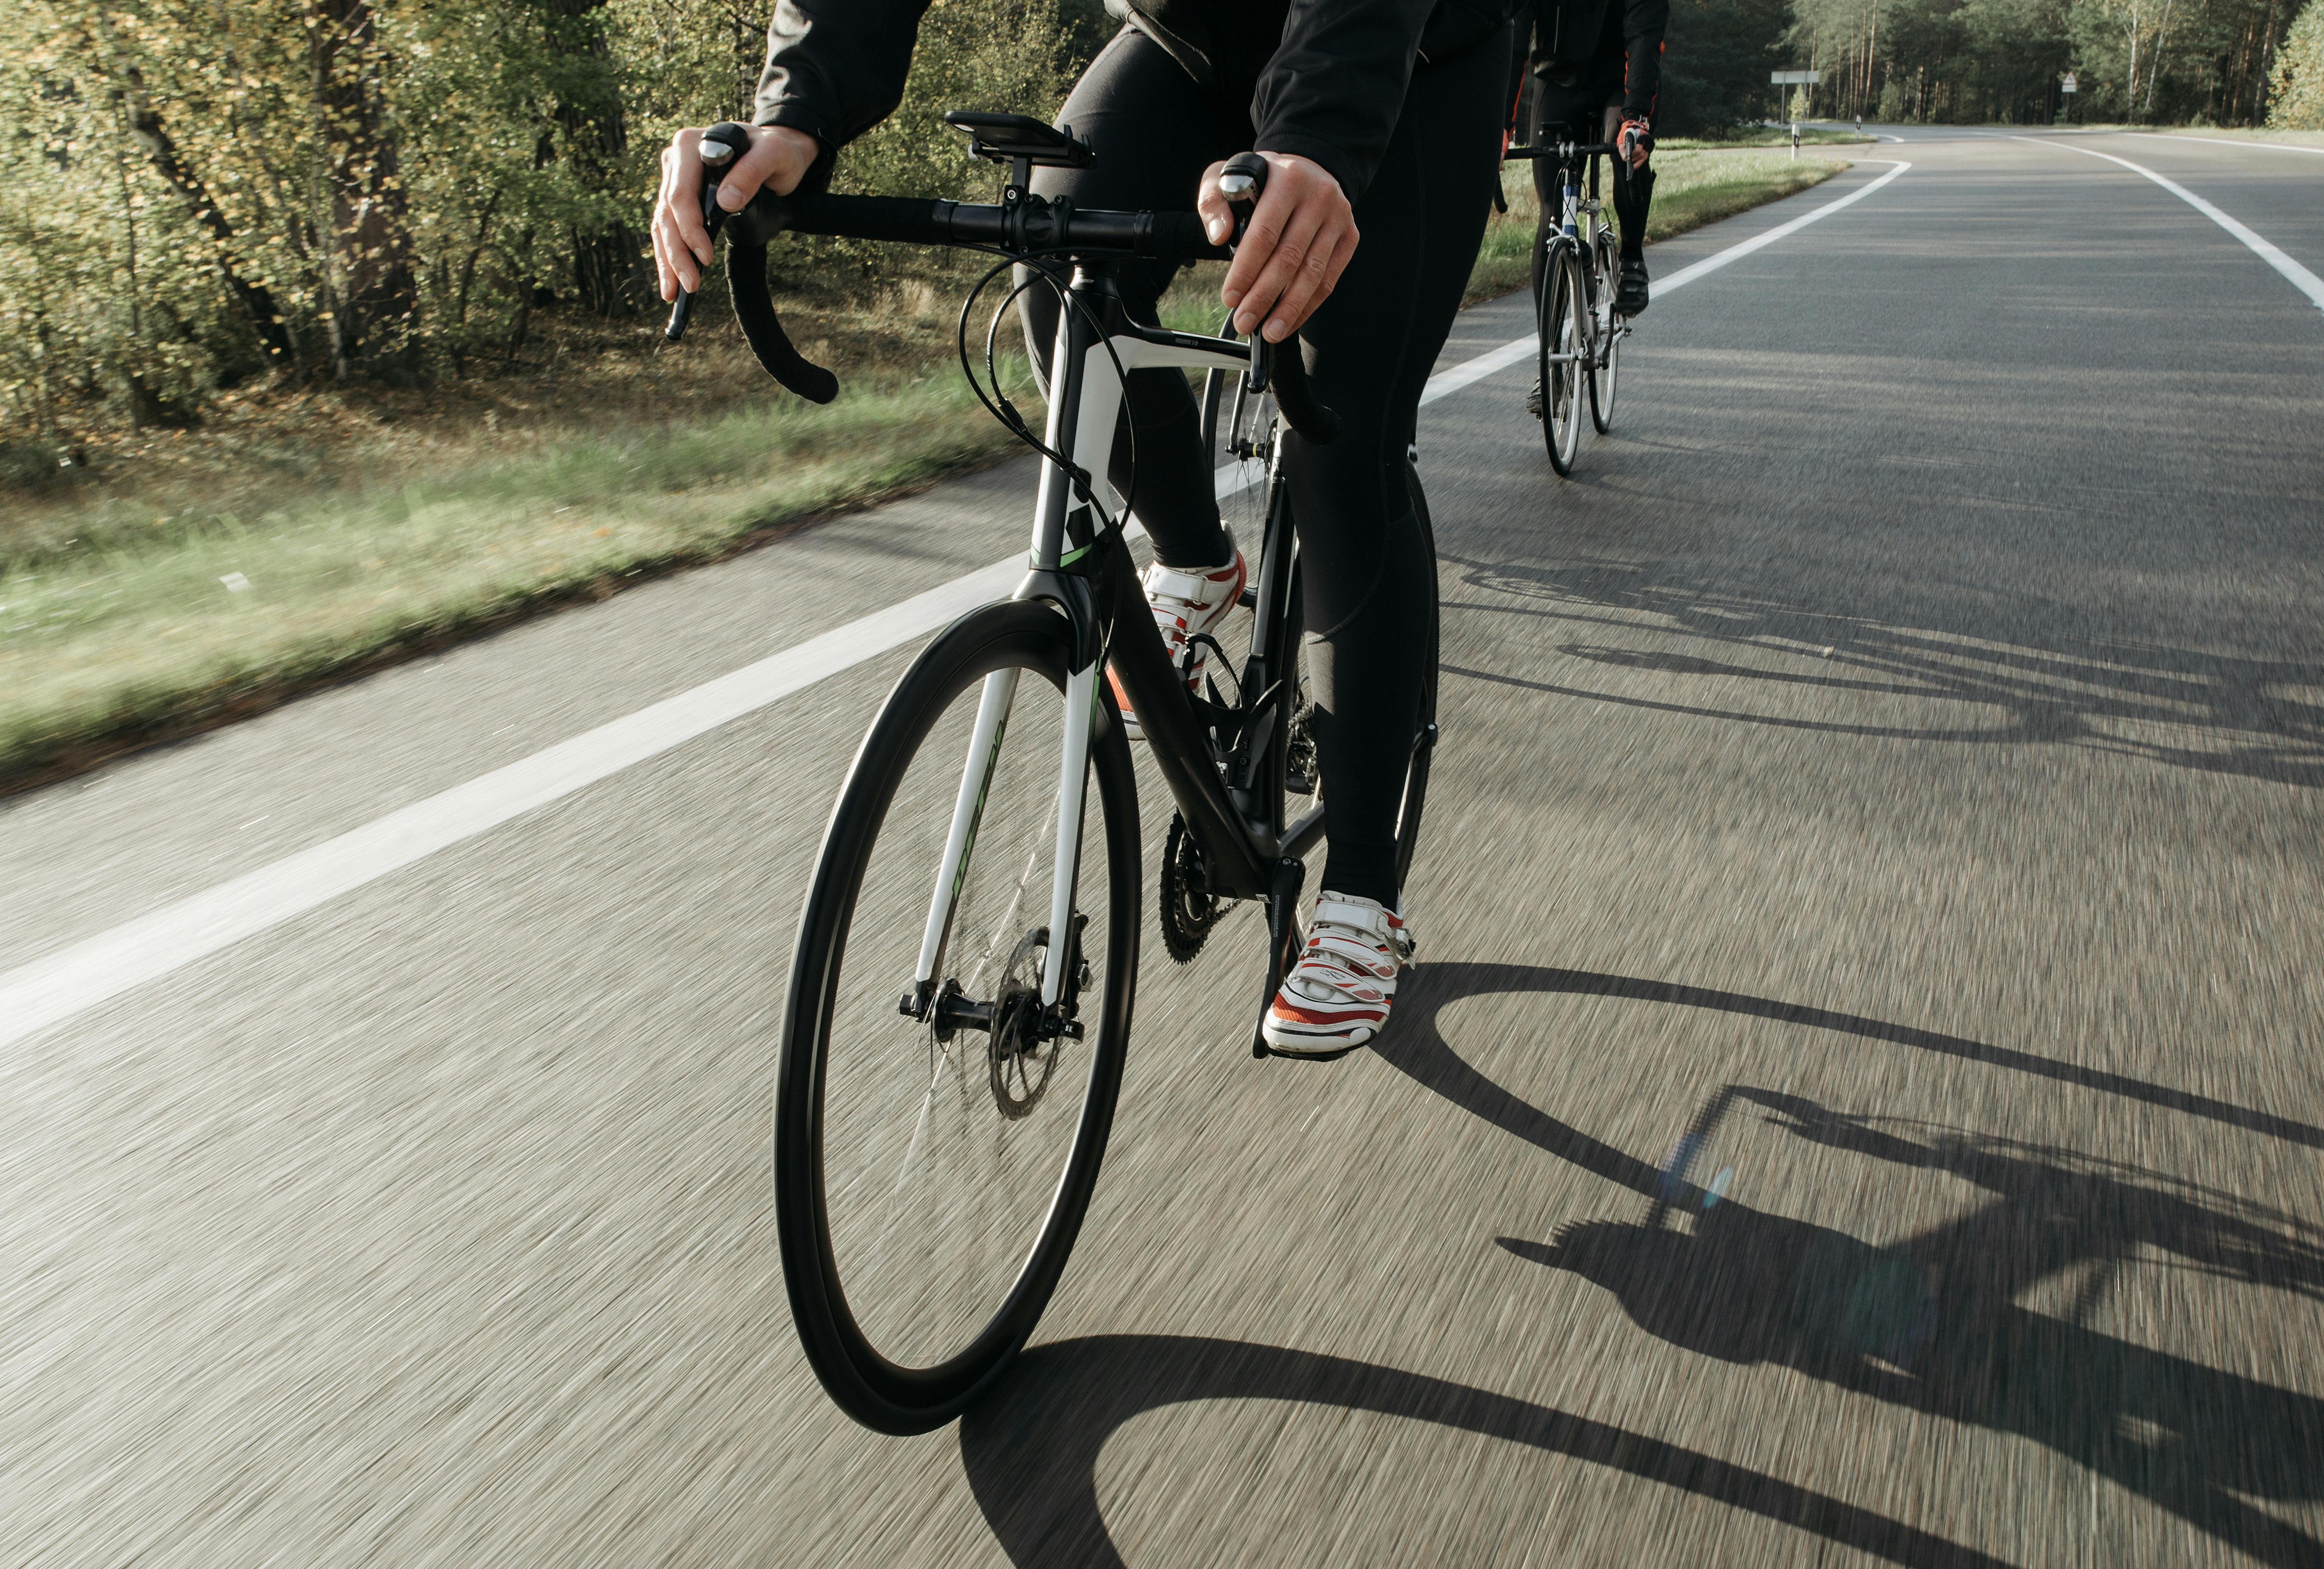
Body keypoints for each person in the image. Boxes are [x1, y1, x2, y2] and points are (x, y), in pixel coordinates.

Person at [651, 0, 1512, 1056]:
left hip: (1406, 50)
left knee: (1340, 432)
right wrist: (798, 112)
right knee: (1060, 278)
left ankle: (1362, 897)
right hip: (1194, 33)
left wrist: (1319, 137)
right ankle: (1199, 561)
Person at [1508, 0, 1663, 356]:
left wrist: (1636, 118)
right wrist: (1501, 124)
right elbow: (1515, 33)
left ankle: (1633, 258)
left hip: (1621, 80)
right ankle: (1549, 358)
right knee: (1552, 214)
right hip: (1557, 79)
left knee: (1627, 147)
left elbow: (1644, 36)